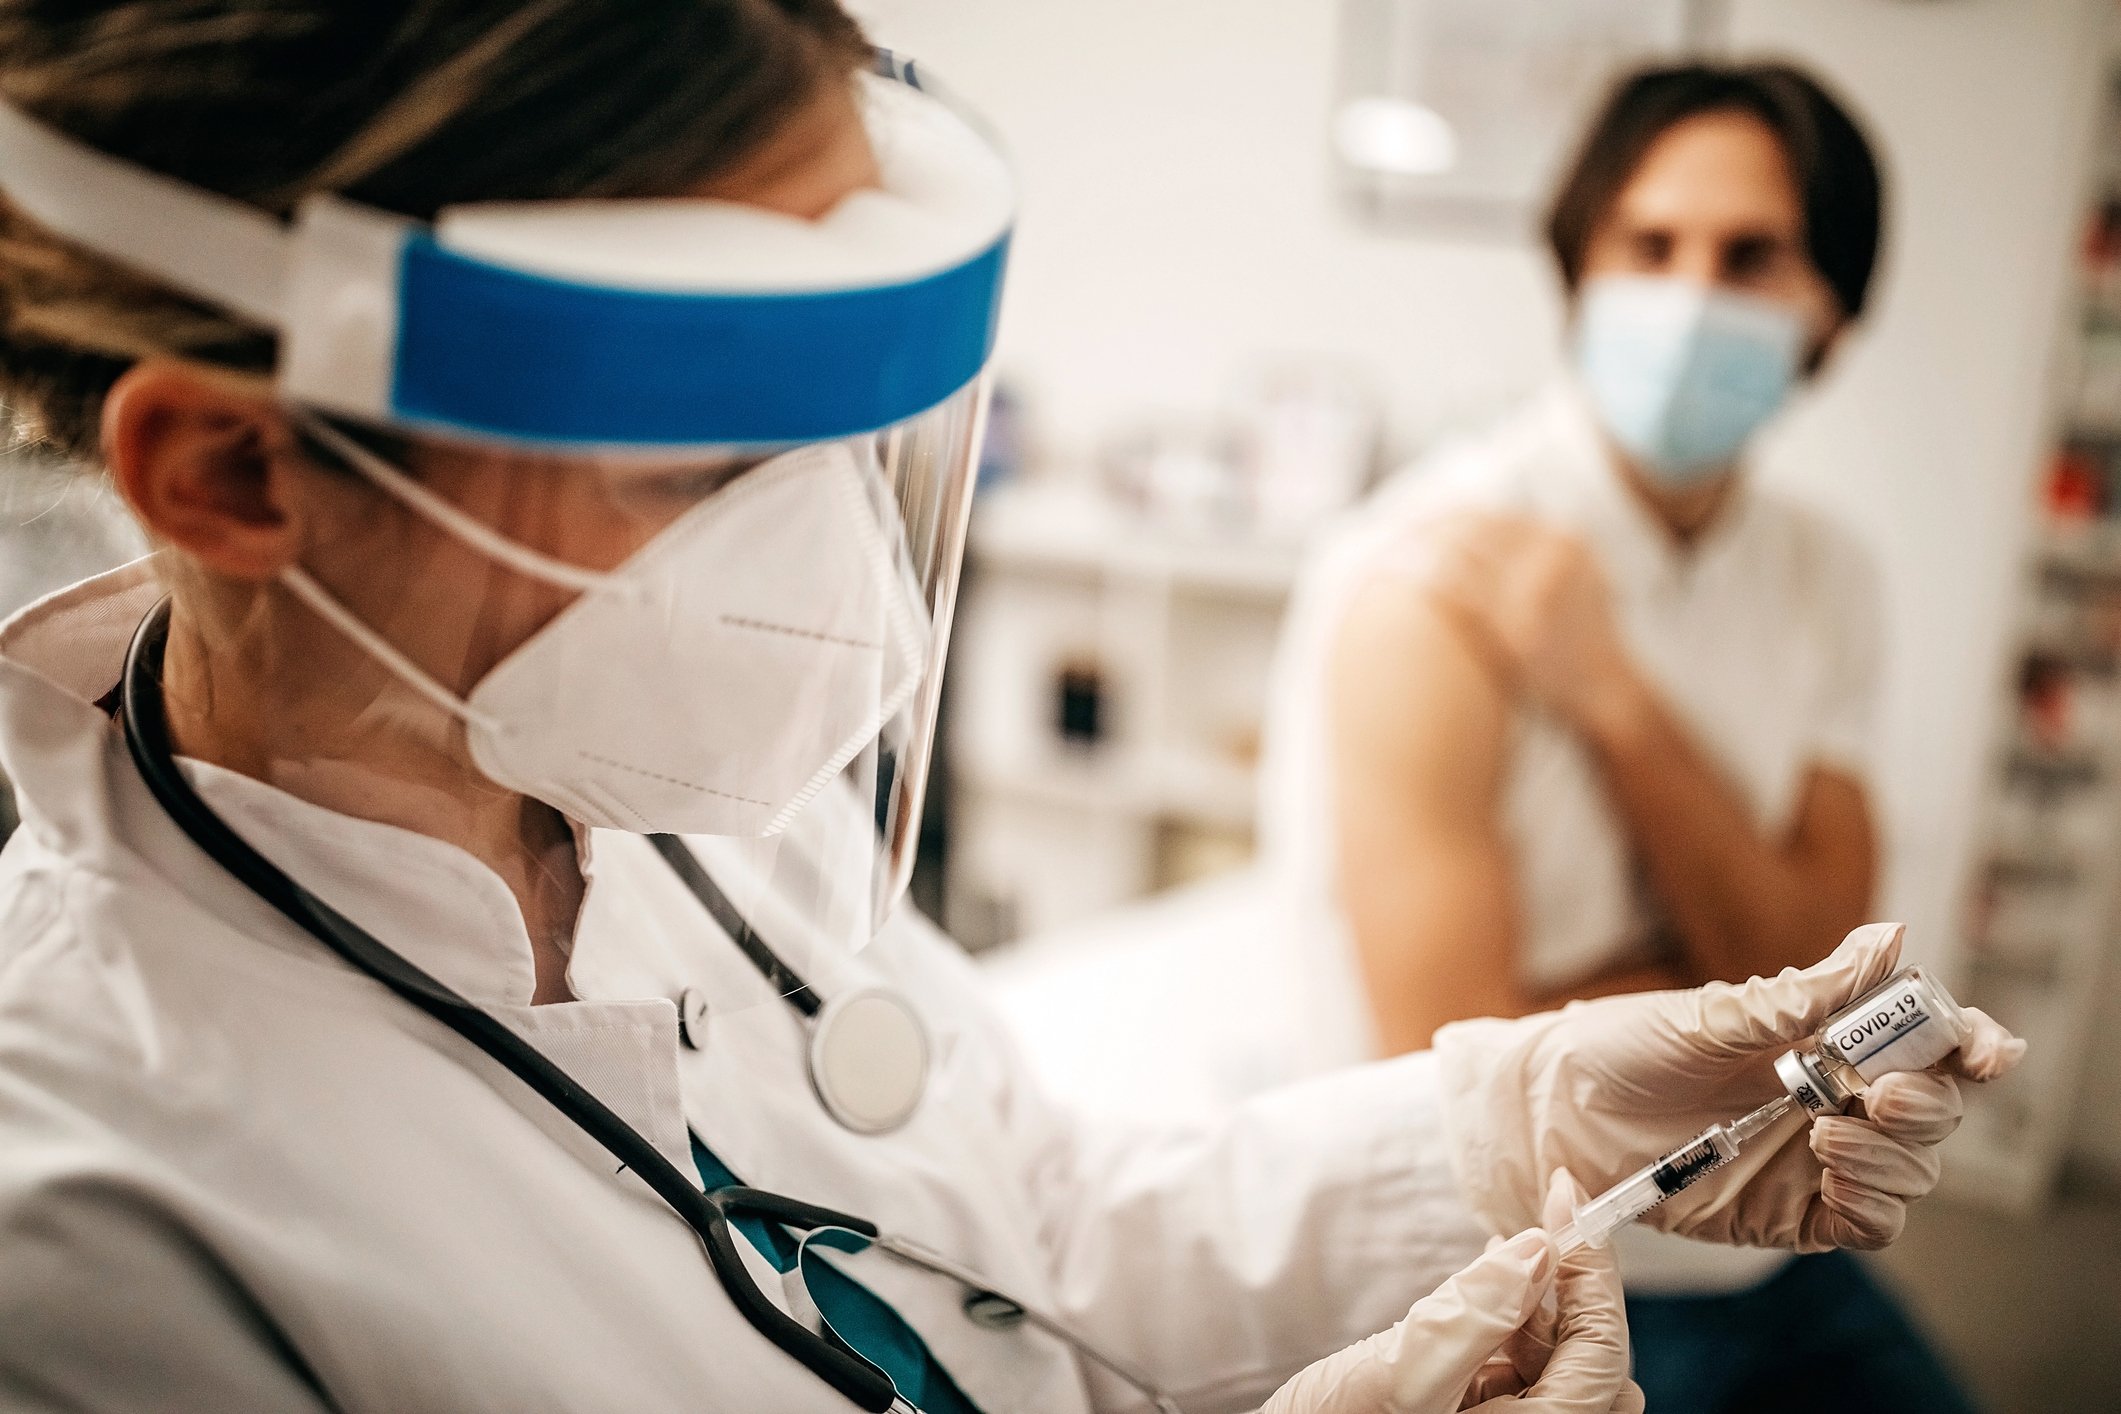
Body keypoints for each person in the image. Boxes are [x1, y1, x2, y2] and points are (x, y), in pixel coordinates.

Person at [0, 9, 2017, 1412]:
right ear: (238, 476)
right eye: (700, 452)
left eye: (838, 438)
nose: (815, 570)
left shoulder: (671, 787)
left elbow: (1036, 1224)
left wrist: (1503, 1122)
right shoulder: (93, 1240)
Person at [1257, 62, 1975, 1411]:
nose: (1689, 294)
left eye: (1750, 254)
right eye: (1647, 245)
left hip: (1774, 1237)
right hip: (1535, 1274)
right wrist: (1736, 962)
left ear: (1832, 308)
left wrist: (1611, 703)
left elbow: (1835, 964)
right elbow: (1455, 1071)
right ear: (1577, 266)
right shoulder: (1426, 574)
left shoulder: (1831, 576)